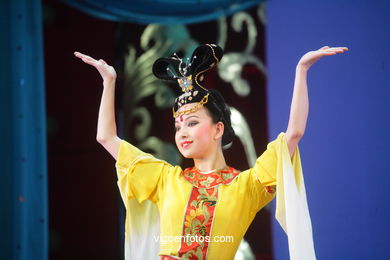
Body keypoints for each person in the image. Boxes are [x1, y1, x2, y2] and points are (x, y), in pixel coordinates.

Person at [74, 44, 348, 260]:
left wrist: (302, 70)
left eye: (192, 122)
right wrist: (108, 81)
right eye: (178, 125)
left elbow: (294, 134)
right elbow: (106, 137)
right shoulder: (166, 179)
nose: (182, 132)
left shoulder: (246, 186)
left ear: (218, 129)